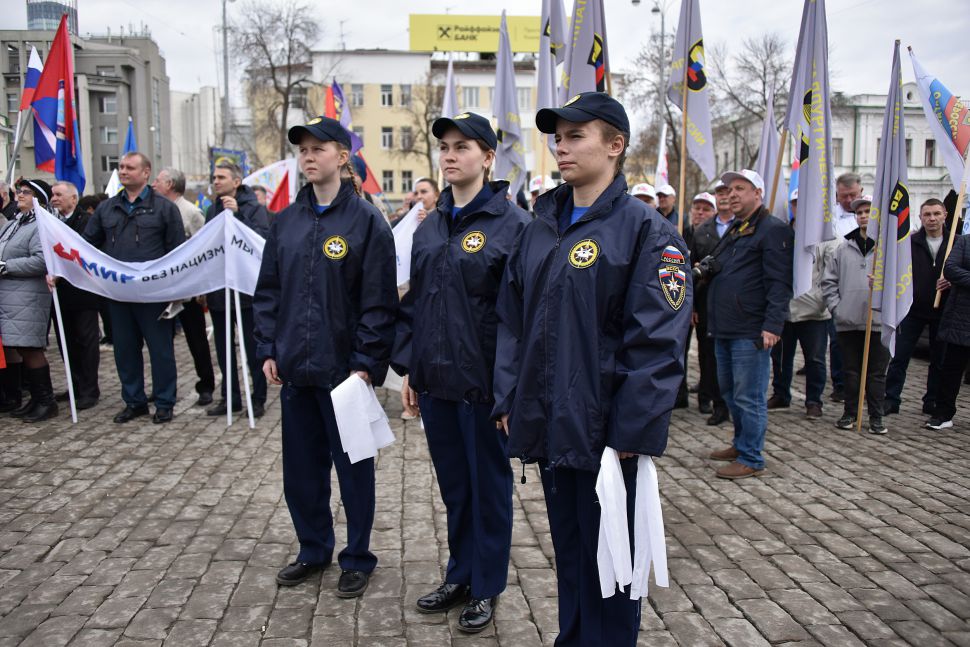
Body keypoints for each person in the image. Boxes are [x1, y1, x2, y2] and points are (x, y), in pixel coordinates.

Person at [493, 92, 691, 646]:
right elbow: (512, 320)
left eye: (576, 136)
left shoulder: (648, 232)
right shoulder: (542, 226)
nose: (562, 147)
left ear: (615, 145)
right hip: (551, 424)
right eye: (558, 137)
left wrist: (632, 430)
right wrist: (509, 396)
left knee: (612, 565)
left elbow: (657, 344)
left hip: (607, 436)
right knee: (573, 556)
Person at [392, 112, 529, 633]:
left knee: (488, 490)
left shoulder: (514, 226)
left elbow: (520, 318)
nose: (450, 156)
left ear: (488, 157)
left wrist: (509, 392)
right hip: (438, 385)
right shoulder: (431, 225)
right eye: (445, 147)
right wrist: (412, 368)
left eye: (462, 147)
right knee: (455, 488)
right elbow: (417, 305)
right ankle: (460, 573)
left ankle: (486, 585)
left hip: (486, 389)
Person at [253, 116, 397, 597]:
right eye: (303, 150)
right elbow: (269, 291)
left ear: (342, 156)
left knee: (354, 470)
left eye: (319, 148)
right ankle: (312, 549)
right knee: (301, 472)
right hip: (296, 370)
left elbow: (379, 301)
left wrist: (365, 363)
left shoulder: (366, 221)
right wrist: (268, 347)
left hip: (344, 374)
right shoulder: (286, 222)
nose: (309, 157)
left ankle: (357, 556)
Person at [83, 152, 186, 424]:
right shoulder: (107, 208)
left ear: (146, 172)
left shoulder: (164, 208)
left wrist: (175, 291)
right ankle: (134, 401)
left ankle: (164, 402)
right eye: (121, 167)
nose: (123, 171)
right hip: (118, 294)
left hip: (154, 295)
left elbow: (177, 251)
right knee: (125, 350)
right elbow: (87, 243)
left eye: (130, 167)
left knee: (160, 351)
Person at [706, 169, 793, 479]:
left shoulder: (773, 230)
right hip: (725, 326)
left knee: (749, 396)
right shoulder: (738, 227)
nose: (732, 194)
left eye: (740, 188)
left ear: (758, 193)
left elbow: (779, 282)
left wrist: (773, 325)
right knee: (730, 393)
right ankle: (741, 443)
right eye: (729, 189)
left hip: (751, 329)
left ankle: (752, 457)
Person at [204, 162, 270, 418]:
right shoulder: (212, 209)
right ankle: (230, 398)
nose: (216, 181)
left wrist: (239, 215)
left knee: (253, 350)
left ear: (236, 181)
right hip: (220, 291)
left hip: (246, 293)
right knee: (224, 351)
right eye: (214, 177)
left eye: (221, 177)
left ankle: (258, 398)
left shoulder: (253, 208)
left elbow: (261, 240)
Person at [820, 195, 888, 435]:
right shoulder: (843, 248)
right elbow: (829, 282)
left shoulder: (888, 250)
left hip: (879, 321)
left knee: (876, 374)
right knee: (851, 371)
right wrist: (838, 308)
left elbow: (901, 283)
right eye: (860, 213)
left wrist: (881, 287)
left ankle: (876, 416)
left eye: (869, 211)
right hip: (848, 321)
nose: (864, 216)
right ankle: (850, 412)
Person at [153, 166, 216, 407]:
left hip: (188, 290)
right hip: (163, 289)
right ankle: (163, 388)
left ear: (170, 184)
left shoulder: (191, 212)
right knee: (161, 343)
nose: (154, 185)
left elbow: (204, 251)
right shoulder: (155, 210)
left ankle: (206, 385)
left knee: (197, 340)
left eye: (158, 181)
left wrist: (202, 288)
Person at [767, 189, 832, 419]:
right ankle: (781, 394)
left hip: (814, 312)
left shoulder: (823, 238)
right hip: (784, 309)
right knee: (781, 358)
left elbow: (830, 273)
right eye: (795, 203)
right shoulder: (781, 234)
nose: (799, 207)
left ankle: (814, 401)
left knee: (814, 359)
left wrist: (821, 300)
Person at [0, 179, 58, 422]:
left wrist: (5, 266)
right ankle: (35, 398)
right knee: (20, 347)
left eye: (26, 192)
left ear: (39, 199)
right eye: (19, 191)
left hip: (29, 295)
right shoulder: (14, 224)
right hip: (10, 295)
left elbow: (41, 261)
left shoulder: (41, 225)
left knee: (31, 348)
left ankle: (46, 401)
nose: (20, 195)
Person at [884, 198, 948, 415]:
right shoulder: (909, 243)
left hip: (942, 309)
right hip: (912, 308)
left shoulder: (955, 243)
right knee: (899, 356)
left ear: (945, 215)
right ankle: (891, 398)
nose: (932, 219)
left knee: (939, 360)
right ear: (920, 217)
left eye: (936, 214)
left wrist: (952, 279)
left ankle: (932, 400)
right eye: (927, 214)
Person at [48, 181, 101, 410]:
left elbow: (82, 251)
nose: (54, 198)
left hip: (82, 294)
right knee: (66, 342)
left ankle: (89, 390)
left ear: (73, 198)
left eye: (59, 194)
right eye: (52, 195)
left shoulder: (86, 221)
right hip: (60, 294)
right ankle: (75, 384)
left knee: (86, 342)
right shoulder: (51, 221)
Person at [688, 191, 729, 425]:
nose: (701, 212)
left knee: (722, 356)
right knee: (706, 353)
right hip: (704, 301)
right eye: (698, 208)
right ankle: (705, 396)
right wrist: (692, 305)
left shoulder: (739, 228)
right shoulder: (702, 231)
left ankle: (723, 399)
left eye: (706, 208)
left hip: (729, 303)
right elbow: (690, 272)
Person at [926, 232, 970, 430]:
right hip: (961, 319)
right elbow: (950, 269)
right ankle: (943, 413)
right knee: (951, 369)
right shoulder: (965, 241)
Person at [827, 173, 863, 402]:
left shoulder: (871, 213)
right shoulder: (829, 217)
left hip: (865, 286)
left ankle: (865, 385)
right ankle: (841, 385)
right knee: (838, 341)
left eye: (853, 195)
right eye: (844, 196)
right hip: (840, 285)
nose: (849, 200)